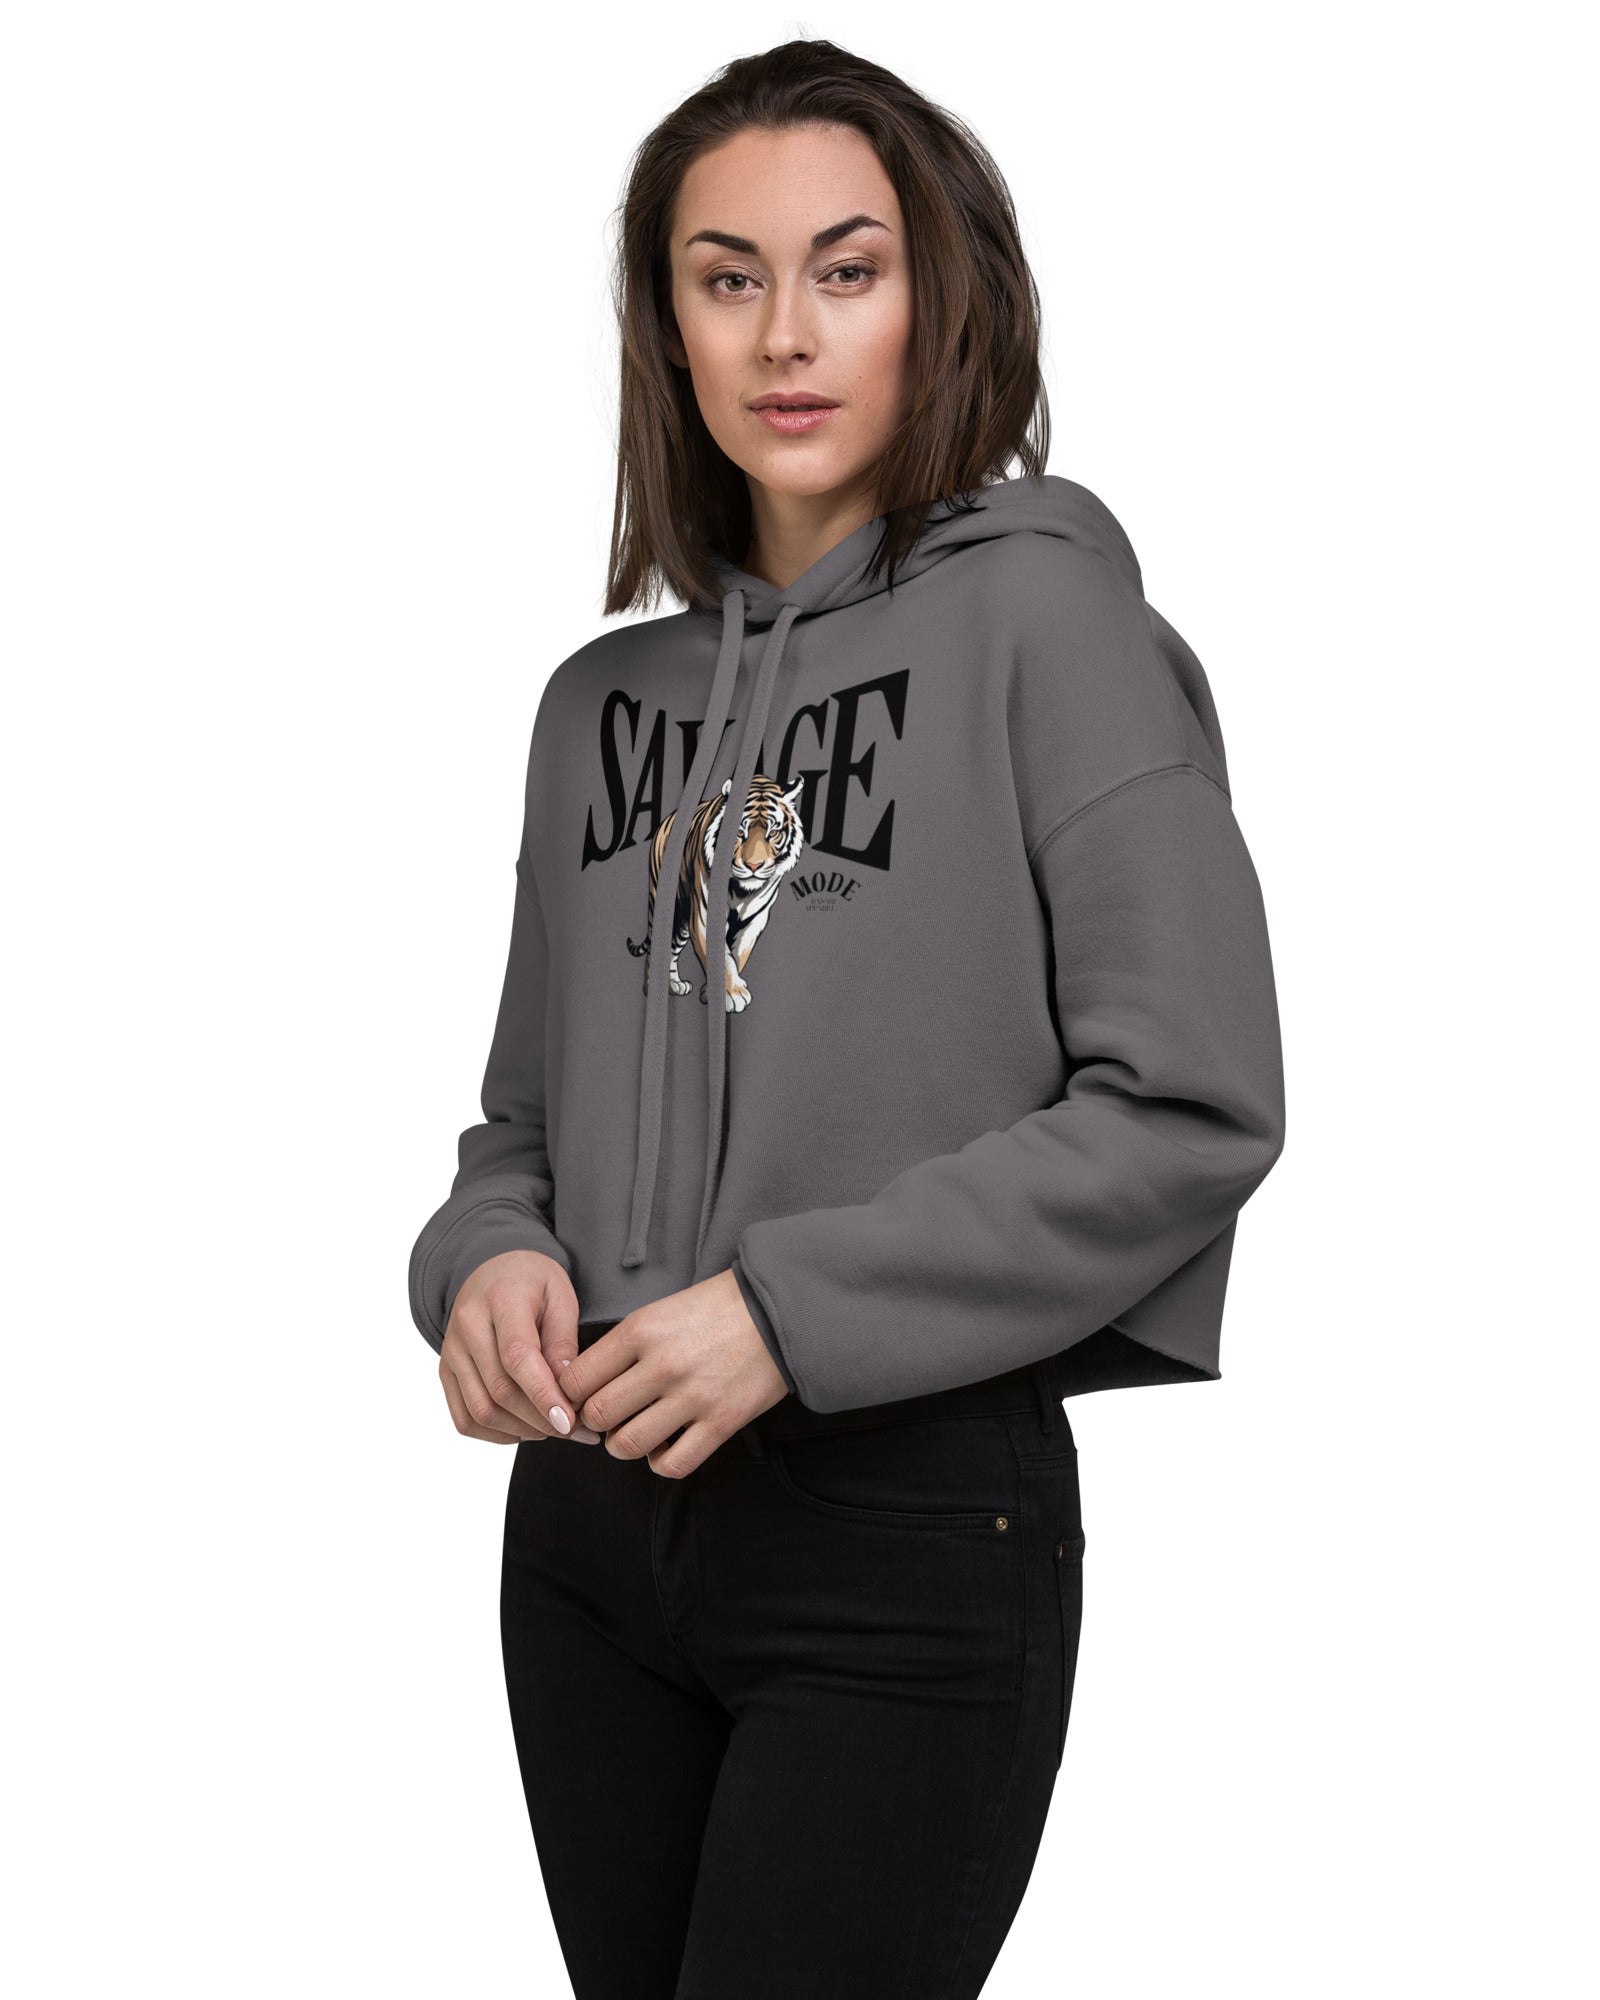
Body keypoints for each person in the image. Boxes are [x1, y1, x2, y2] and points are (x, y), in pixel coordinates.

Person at [406, 37, 1286, 2000]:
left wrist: (785, 1312)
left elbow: (1190, 1101)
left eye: (847, 269)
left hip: (898, 1516)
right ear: (667, 326)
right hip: (586, 1525)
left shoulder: (1053, 632)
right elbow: (520, 1126)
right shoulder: (596, 707)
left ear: (937, 298)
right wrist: (481, 1261)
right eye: (726, 277)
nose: (785, 335)